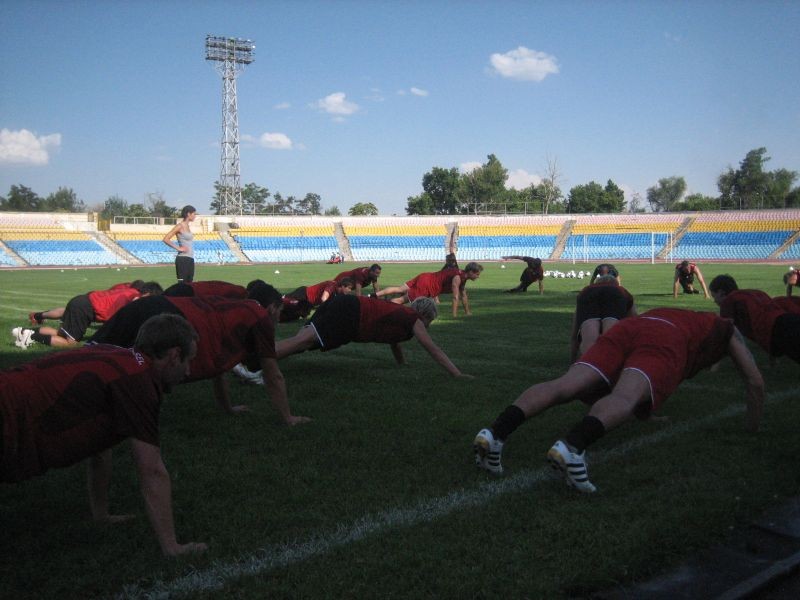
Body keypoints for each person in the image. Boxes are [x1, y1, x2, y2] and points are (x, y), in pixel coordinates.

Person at [473, 307, 764, 493]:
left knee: (566, 384)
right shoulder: (725, 330)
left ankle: (496, 433)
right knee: (626, 395)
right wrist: (753, 428)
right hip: (666, 337)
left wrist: (647, 414)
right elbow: (755, 382)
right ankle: (572, 447)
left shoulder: (688, 316)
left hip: (633, 326)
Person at [1, 313, 207, 556]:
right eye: (188, 361)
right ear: (174, 356)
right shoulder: (138, 380)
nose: (188, 371)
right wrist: (172, 546)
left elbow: (100, 448)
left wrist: (101, 514)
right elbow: (151, 470)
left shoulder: (119, 356)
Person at [86, 281, 310, 423]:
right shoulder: (259, 317)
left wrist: (227, 407)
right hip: (170, 318)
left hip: (154, 306)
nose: (278, 319)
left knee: (94, 357)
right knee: (130, 373)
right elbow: (272, 373)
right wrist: (288, 417)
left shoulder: (234, 309)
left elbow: (219, 367)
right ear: (271, 308)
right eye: (279, 312)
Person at [275, 294, 472, 378]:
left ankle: (263, 362)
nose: (428, 326)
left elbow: (395, 342)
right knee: (302, 341)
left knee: (301, 343)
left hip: (345, 304)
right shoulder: (414, 319)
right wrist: (457, 373)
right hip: (351, 312)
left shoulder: (402, 316)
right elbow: (432, 349)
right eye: (430, 320)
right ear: (425, 315)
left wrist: (401, 363)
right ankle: (262, 358)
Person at [12, 281, 163, 349]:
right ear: (148, 294)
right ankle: (31, 336)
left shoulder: (127, 289)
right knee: (70, 343)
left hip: (83, 301)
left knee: (61, 334)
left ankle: (24, 332)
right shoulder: (135, 297)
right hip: (85, 308)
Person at [709, 274, 800, 364]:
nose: (714, 301)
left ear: (721, 292)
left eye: (714, 296)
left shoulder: (728, 301)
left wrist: (714, 364)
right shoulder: (753, 293)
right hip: (788, 319)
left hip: (779, 330)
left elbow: (725, 335)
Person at [375, 262, 484, 317]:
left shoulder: (462, 276)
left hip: (425, 277)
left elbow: (464, 296)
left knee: (399, 289)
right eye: (477, 274)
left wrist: (467, 312)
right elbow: (456, 297)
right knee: (401, 300)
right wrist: (454, 316)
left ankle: (374, 296)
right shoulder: (458, 277)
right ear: (470, 272)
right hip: (426, 285)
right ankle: (381, 307)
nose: (478, 277)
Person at [570, 275, 637, 362]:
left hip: (588, 294)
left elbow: (575, 332)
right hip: (616, 294)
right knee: (610, 332)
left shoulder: (586, 290)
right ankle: (609, 359)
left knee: (589, 334)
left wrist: (572, 358)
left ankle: (588, 360)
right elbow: (634, 321)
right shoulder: (621, 290)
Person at [27, 280, 146, 325]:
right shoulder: (134, 293)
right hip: (97, 305)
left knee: (67, 311)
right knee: (69, 338)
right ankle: (31, 330)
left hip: (93, 296)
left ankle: (38, 315)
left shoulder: (124, 285)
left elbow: (110, 291)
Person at [163, 205, 197, 283]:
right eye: (194, 214)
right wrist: (178, 248)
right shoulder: (179, 226)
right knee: (182, 284)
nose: (195, 216)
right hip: (183, 259)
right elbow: (166, 239)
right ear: (188, 214)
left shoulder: (188, 226)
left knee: (190, 284)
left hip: (190, 258)